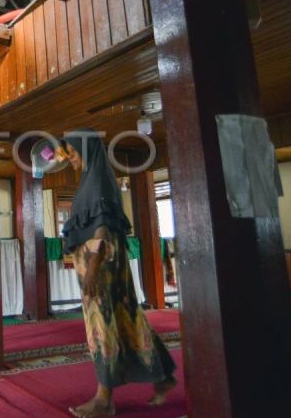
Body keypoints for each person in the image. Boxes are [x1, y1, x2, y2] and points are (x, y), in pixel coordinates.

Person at [61, 129, 176, 418]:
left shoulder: (98, 180)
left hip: (101, 267)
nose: (70, 158)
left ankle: (104, 398)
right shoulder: (90, 181)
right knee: (126, 319)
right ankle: (162, 376)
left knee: (102, 326)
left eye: (73, 152)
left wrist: (93, 269)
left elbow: (101, 229)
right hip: (96, 265)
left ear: (87, 150)